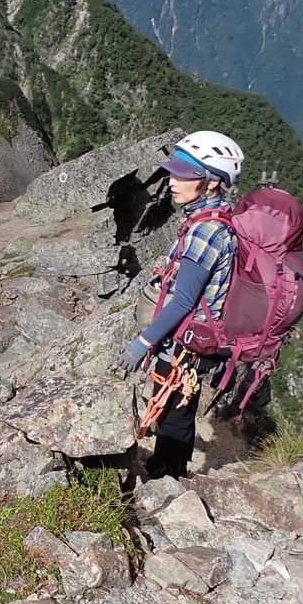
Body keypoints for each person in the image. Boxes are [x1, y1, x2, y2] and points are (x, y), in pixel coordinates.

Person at [116, 131, 244, 479]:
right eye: (174, 172)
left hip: (186, 342)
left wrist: (143, 342)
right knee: (177, 407)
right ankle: (166, 470)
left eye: (184, 175)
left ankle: (167, 478)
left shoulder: (206, 231)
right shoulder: (214, 218)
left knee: (175, 411)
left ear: (212, 183)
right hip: (190, 338)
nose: (173, 181)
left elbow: (185, 299)